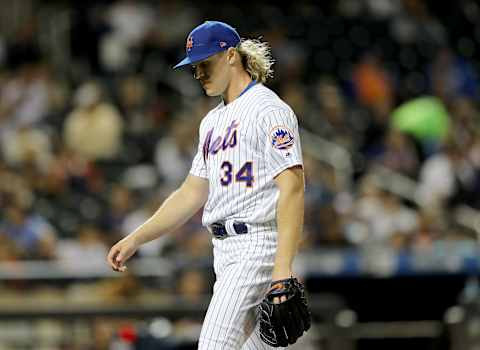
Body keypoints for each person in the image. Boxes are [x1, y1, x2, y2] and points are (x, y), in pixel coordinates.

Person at [107, 21, 306, 349]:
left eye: (204, 64)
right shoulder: (212, 121)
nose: (198, 73)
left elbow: (293, 188)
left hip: (257, 245)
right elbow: (191, 192)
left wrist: (282, 270)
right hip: (225, 252)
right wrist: (136, 238)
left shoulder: (268, 110)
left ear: (231, 56)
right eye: (194, 68)